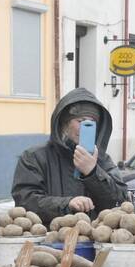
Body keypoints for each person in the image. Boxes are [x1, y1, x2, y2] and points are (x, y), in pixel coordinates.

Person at [12, 88, 128, 225]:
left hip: (95, 240)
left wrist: (92, 173)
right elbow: (25, 201)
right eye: (81, 121)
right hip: (49, 241)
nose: (85, 127)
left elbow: (119, 202)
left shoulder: (102, 160)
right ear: (64, 123)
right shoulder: (34, 157)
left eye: (91, 123)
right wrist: (67, 204)